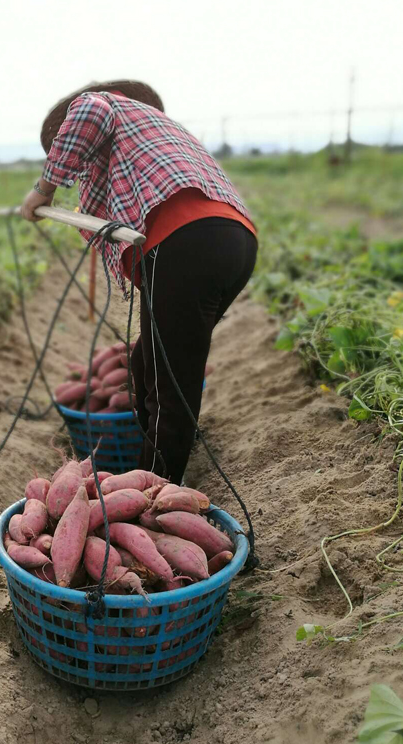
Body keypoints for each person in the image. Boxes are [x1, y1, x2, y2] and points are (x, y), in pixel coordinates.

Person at [20, 80, 257, 486]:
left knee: (169, 392)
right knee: (144, 365)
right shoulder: (152, 131)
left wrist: (43, 191)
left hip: (186, 244)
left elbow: (89, 111)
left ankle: (155, 491)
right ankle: (152, 468)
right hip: (234, 242)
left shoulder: (102, 107)